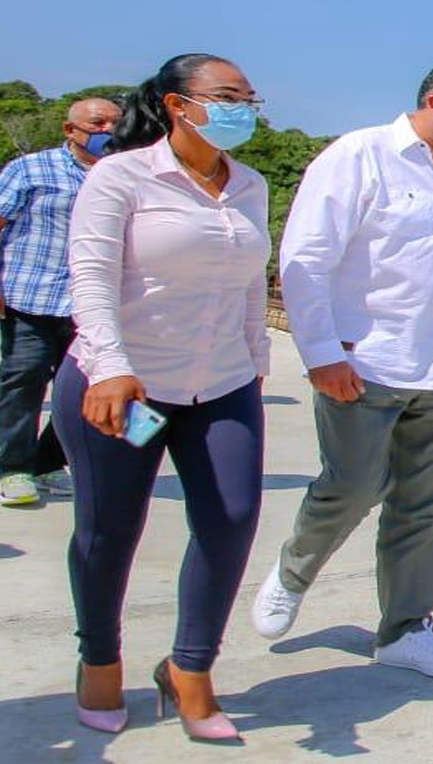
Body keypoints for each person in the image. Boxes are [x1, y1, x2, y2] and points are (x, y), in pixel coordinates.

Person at [250, 58, 433, 680]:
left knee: (424, 506)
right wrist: (321, 355)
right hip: (365, 362)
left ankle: (406, 628)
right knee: (353, 486)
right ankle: (295, 569)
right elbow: (306, 259)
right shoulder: (359, 156)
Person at [51, 54, 269, 740]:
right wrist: (110, 367)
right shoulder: (124, 176)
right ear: (179, 104)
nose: (243, 109)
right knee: (112, 526)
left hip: (222, 386)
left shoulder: (250, 185)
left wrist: (256, 361)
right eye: (227, 96)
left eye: (249, 98)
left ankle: (190, 669)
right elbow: (89, 275)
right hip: (129, 393)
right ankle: (100, 661)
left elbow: (243, 285)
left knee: (229, 519)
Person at [0, 97, 121, 507]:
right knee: (24, 377)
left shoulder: (127, 172)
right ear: (71, 130)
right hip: (31, 295)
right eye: (97, 123)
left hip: (94, 302)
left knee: (79, 387)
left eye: (114, 123)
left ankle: (50, 462)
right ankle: (15, 468)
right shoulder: (31, 169)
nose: (107, 130)